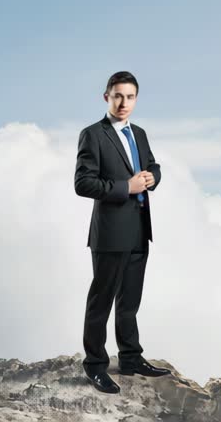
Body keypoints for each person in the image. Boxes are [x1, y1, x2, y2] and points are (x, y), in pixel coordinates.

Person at [75, 70, 172, 394]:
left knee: (130, 301)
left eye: (130, 97)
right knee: (101, 302)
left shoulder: (140, 133)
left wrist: (152, 178)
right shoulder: (92, 134)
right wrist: (125, 187)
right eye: (118, 96)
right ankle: (95, 366)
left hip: (139, 230)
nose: (123, 102)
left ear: (136, 99)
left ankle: (130, 358)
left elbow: (152, 165)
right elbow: (83, 183)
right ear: (107, 97)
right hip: (109, 233)